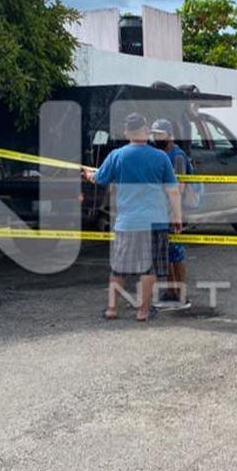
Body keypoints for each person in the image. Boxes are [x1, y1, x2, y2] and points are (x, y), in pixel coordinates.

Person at [86, 113, 182, 322]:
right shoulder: (161, 157)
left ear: (126, 132)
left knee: (118, 269)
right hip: (155, 221)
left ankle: (112, 309)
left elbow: (100, 178)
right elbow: (173, 190)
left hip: (127, 223)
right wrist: (177, 217)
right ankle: (143, 311)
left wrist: (88, 174)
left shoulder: (117, 156)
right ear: (146, 130)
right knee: (149, 269)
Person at [151, 118, 192, 310]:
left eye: (160, 134)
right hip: (160, 211)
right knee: (165, 253)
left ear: (170, 136)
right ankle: (170, 291)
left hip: (173, 211)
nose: (156, 138)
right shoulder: (158, 154)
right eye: (155, 134)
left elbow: (179, 187)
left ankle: (181, 295)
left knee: (176, 253)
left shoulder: (177, 156)